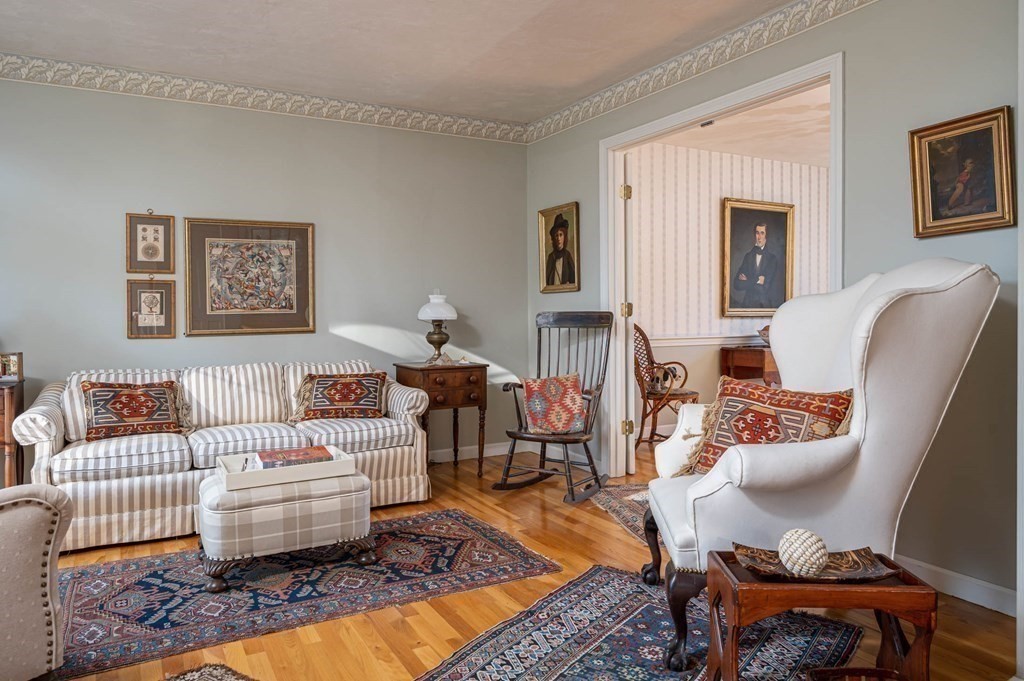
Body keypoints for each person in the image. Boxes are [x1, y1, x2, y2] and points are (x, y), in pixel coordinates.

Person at [732, 222, 780, 309]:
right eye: (757, 233)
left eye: (762, 233)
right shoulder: (748, 256)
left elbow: (766, 287)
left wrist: (747, 281)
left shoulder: (772, 259)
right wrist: (757, 280)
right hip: (747, 305)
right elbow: (737, 284)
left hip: (764, 306)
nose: (759, 237)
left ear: (766, 236)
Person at [546, 213, 576, 286]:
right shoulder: (551, 257)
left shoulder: (567, 255)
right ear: (554, 238)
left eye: (560, 235)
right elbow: (546, 280)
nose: (558, 238)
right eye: (556, 235)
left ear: (564, 237)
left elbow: (574, 279)